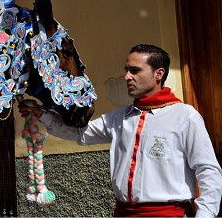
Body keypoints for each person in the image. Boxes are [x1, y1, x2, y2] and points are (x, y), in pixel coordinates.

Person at [18, 44, 222, 217]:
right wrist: (41, 114)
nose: (126, 76)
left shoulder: (185, 116)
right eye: (126, 70)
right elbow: (80, 134)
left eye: (135, 70)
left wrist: (205, 214)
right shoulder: (119, 117)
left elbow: (208, 170)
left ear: (159, 74)